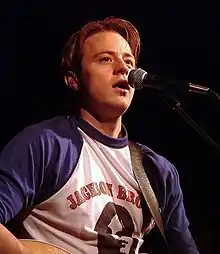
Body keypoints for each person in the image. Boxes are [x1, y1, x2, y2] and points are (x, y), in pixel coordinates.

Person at [0, 16, 200, 254]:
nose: (123, 69)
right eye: (105, 59)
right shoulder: (45, 145)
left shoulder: (157, 170)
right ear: (73, 79)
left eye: (129, 61)